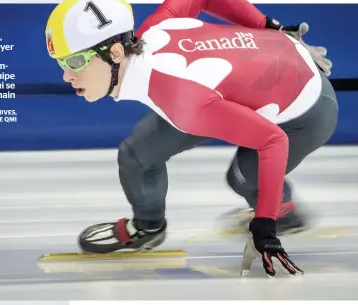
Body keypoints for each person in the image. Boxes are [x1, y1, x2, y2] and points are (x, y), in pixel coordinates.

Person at [45, 0, 337, 277]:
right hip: (227, 81)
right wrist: (266, 24)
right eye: (61, 63)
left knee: (244, 176)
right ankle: (148, 228)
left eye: (75, 61)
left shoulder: (185, 103)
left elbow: (274, 141)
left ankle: (283, 211)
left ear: (117, 53)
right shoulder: (153, 32)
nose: (66, 76)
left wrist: (265, 228)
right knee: (137, 154)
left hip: (308, 109)